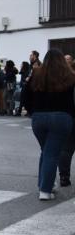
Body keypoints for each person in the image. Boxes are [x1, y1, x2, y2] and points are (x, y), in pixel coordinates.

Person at [23, 49, 75, 200]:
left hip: (38, 118)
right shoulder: (70, 76)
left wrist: (33, 110)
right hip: (62, 117)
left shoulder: (36, 74)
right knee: (52, 153)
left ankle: (45, 184)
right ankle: (45, 190)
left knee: (45, 151)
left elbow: (25, 95)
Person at [58, 53, 75, 187]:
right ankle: (64, 176)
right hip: (69, 115)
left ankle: (64, 176)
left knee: (66, 149)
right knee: (67, 149)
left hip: (66, 115)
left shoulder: (56, 77)